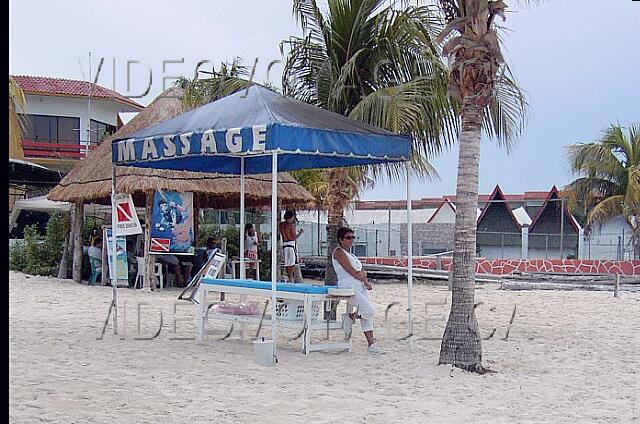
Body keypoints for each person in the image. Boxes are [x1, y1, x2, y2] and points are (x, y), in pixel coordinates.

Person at [332, 227, 385, 354]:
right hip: (348, 285)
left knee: (367, 314)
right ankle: (350, 317)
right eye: (348, 238)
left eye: (353, 237)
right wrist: (362, 275)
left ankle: (371, 344)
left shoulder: (352, 255)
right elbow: (352, 271)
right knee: (368, 310)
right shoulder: (339, 252)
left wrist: (366, 282)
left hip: (359, 285)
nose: (351, 240)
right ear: (341, 239)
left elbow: (359, 272)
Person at [278, 210, 304, 282]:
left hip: (285, 244)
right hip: (291, 244)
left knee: (287, 262)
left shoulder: (281, 225)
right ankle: (290, 278)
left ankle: (289, 278)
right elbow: (294, 237)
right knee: (292, 262)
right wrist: (300, 233)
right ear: (291, 217)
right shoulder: (290, 225)